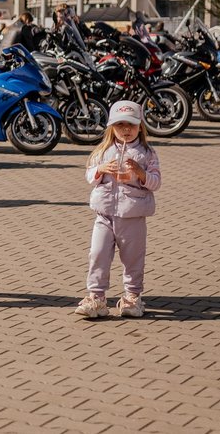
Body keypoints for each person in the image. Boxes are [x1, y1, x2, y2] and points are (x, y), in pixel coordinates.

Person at [74, 101, 161, 319]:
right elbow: (89, 176)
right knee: (98, 254)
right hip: (104, 215)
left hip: (132, 215)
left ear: (140, 126)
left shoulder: (147, 153)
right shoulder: (102, 151)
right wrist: (100, 170)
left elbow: (156, 182)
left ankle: (132, 297)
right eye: (120, 124)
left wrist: (140, 174)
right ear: (111, 126)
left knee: (133, 258)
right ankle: (97, 297)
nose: (125, 130)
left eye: (130, 125)